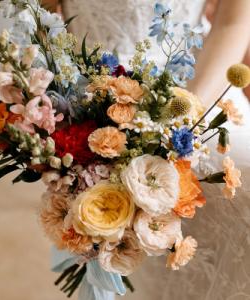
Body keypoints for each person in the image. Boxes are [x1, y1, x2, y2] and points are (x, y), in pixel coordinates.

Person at [44, 1, 250, 299]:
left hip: (200, 83)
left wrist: (182, 125)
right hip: (92, 92)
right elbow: (39, 18)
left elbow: (233, 22)